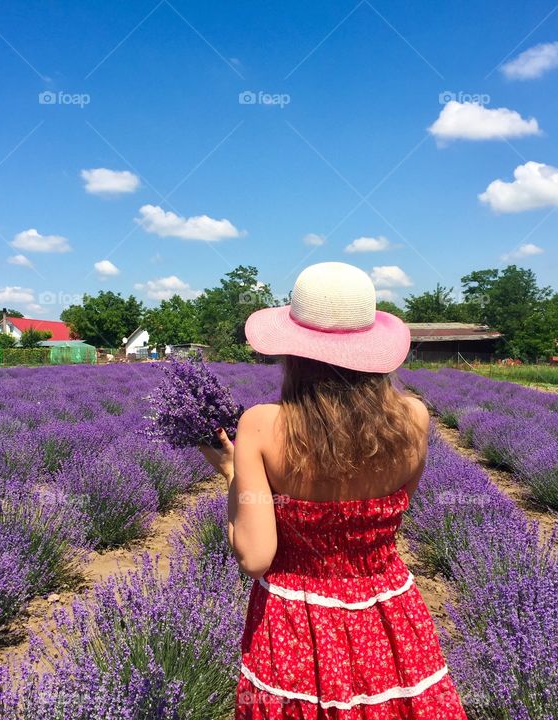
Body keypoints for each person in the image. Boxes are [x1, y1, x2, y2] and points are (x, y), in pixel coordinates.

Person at [200, 261, 467, 719]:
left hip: (294, 624)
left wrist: (231, 474)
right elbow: (392, 516)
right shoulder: (414, 418)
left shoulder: (262, 426)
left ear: (293, 350)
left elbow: (256, 556)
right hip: (388, 614)